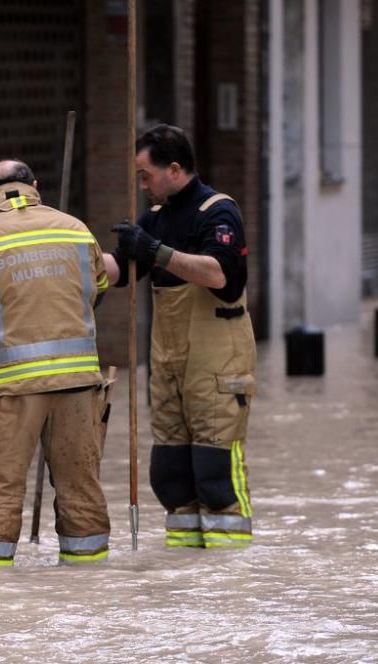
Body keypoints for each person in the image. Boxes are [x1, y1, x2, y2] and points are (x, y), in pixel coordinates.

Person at [0, 159, 113, 566]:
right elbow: (98, 290)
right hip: (79, 384)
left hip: (14, 388)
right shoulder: (77, 229)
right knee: (82, 490)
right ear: (34, 186)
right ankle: (92, 588)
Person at [105, 124, 255, 549]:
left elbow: (219, 275)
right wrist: (72, 254)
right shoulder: (155, 217)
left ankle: (229, 581)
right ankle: (186, 584)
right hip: (169, 368)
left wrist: (154, 251)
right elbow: (119, 269)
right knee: (170, 477)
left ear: (174, 169)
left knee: (216, 477)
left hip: (217, 371)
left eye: (145, 175)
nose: (142, 185)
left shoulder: (218, 212)